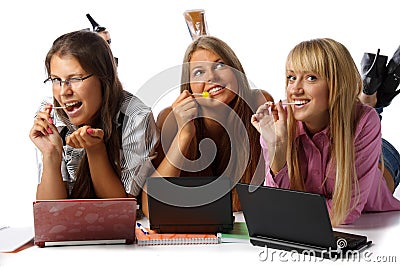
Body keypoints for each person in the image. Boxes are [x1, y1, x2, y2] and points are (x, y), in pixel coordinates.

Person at [251, 38, 400, 226]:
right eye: (291, 77)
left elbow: (345, 213)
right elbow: (276, 205)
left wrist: (292, 210)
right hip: (354, 130)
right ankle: (369, 95)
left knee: (381, 178)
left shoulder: (364, 122)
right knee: (362, 115)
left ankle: (369, 100)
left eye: (311, 77)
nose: (295, 89)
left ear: (337, 84)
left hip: (384, 156)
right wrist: (276, 148)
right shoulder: (277, 126)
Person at [141, 35, 274, 217]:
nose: (212, 77)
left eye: (220, 65)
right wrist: (185, 134)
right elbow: (151, 208)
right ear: (189, 86)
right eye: (198, 72)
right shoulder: (170, 118)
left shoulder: (258, 102)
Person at [29, 30, 159, 200]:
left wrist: (95, 150)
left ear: (103, 78)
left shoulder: (135, 117)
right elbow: (49, 212)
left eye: (75, 78)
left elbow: (120, 206)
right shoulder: (51, 115)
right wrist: (51, 154)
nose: (63, 92)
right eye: (55, 80)